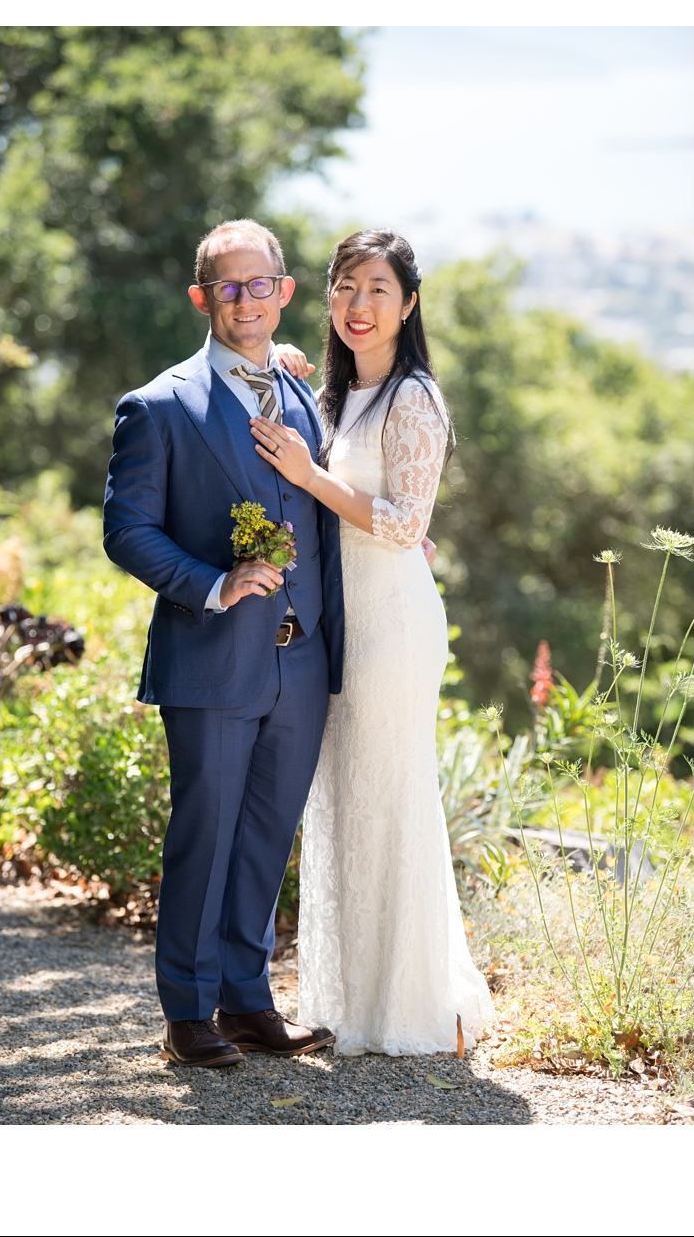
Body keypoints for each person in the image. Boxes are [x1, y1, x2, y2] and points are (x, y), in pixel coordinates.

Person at [101, 219, 346, 1068]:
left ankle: (247, 1000)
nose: (245, 300)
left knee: (267, 839)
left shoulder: (300, 391)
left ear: (283, 292)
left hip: (303, 657)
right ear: (203, 297)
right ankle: (186, 1012)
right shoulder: (160, 404)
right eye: (227, 287)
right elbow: (127, 529)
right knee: (203, 835)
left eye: (260, 284)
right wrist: (214, 581)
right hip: (210, 656)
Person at [247, 229, 494, 1055]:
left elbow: (404, 524)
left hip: (393, 629)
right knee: (346, 803)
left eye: (377, 289)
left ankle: (414, 1005)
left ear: (408, 303)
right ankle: (354, 1001)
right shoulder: (336, 394)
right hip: (339, 625)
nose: (359, 305)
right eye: (345, 287)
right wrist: (278, 363)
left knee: (390, 801)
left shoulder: (414, 398)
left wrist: (311, 477)